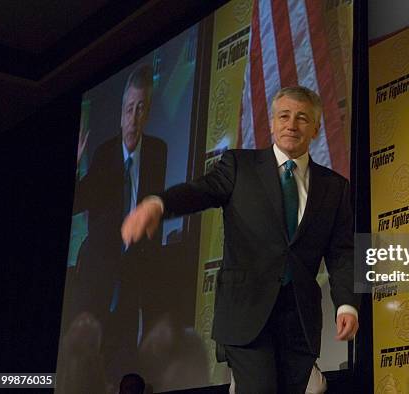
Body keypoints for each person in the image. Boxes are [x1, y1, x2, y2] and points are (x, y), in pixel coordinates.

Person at [122, 86, 359, 393]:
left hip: (300, 321)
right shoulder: (239, 166)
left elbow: (343, 252)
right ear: (271, 123)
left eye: (302, 118)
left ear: (315, 128)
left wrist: (347, 306)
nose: (291, 124)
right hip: (246, 314)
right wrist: (160, 204)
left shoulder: (335, 187)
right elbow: (200, 191)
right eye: (284, 116)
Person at [70, 64, 167, 385]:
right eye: (129, 109)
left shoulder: (157, 152)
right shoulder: (103, 154)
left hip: (134, 272)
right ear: (120, 112)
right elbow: (80, 201)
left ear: (147, 113)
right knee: (90, 355)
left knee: (125, 359)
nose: (134, 117)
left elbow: (158, 210)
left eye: (141, 109)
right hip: (99, 270)